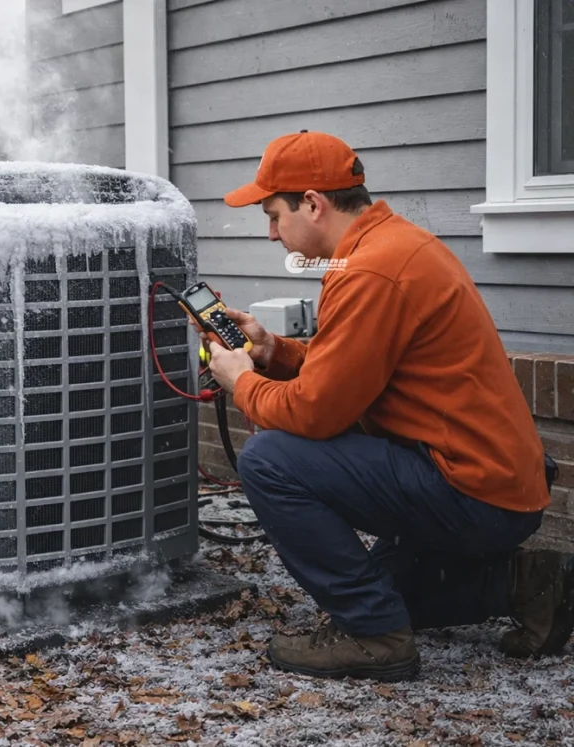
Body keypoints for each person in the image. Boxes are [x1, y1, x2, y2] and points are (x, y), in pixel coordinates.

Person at [207, 130, 572, 682]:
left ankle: (376, 638)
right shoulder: (388, 246)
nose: (271, 233)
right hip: (493, 483)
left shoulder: (370, 271)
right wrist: (272, 351)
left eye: (275, 215)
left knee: (269, 458)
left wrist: (240, 381)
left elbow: (314, 414)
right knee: (386, 588)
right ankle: (532, 584)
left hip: (470, 488)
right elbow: (347, 371)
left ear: (313, 203)